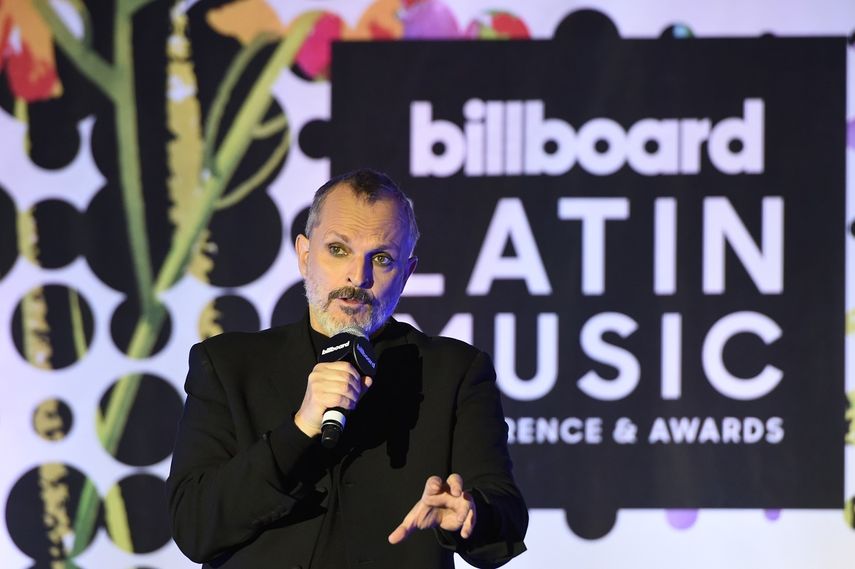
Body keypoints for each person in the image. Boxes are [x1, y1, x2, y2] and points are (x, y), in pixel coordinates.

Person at [167, 169, 528, 569]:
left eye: (382, 258)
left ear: (406, 275)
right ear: (305, 255)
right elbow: (194, 527)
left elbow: (506, 523)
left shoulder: (454, 372)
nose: (359, 276)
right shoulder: (228, 365)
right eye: (338, 250)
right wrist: (300, 428)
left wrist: (470, 516)